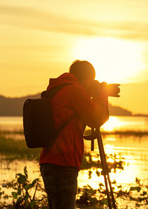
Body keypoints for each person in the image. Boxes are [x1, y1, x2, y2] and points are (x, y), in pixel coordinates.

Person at [40, 60, 109, 209]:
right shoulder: (74, 91)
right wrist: (101, 95)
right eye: (92, 79)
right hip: (62, 165)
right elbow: (96, 119)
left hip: (51, 163)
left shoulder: (60, 89)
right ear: (88, 77)